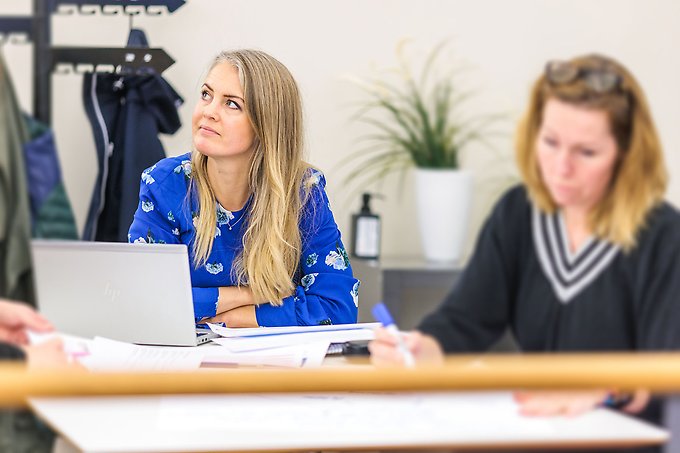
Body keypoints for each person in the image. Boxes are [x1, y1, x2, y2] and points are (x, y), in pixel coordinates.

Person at [369, 54, 680, 423]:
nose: (561, 168)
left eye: (587, 152)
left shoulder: (663, 237)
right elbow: (463, 323)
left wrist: (603, 390)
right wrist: (421, 351)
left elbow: (666, 370)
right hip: (537, 430)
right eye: (550, 142)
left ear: (626, 155)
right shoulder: (519, 213)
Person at [128, 49, 359, 327]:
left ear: (266, 125)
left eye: (232, 104)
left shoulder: (302, 191)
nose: (209, 112)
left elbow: (338, 309)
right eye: (206, 95)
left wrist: (231, 317)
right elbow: (144, 301)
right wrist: (253, 294)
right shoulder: (165, 184)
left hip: (274, 367)